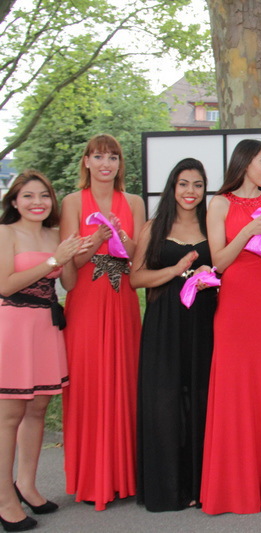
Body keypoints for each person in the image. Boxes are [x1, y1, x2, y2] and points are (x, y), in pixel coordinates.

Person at [200, 139, 261, 514]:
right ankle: (234, 483)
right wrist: (248, 231)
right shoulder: (219, 204)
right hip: (236, 304)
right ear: (244, 163)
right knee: (234, 387)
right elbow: (219, 262)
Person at [60, 134, 146, 510]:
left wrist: (122, 238)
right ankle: (91, 479)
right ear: (87, 162)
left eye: (112, 157)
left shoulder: (134, 202)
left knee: (124, 382)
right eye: (98, 156)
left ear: (119, 164)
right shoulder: (71, 202)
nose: (105, 163)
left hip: (122, 299)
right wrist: (97, 238)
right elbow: (70, 263)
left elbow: (138, 258)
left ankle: (124, 476)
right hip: (86, 302)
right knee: (89, 385)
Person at [0, 171, 88, 531]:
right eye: (28, 196)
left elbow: (69, 283)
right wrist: (53, 261)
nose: (37, 202)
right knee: (10, 414)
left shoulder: (55, 235)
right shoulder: (5, 233)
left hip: (47, 326)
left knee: (38, 408)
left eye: (44, 196)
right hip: (13, 326)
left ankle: (27, 486)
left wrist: (70, 255)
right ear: (14, 201)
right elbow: (6, 285)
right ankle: (4, 499)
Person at [132, 158, 216, 512]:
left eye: (197, 184)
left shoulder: (212, 225)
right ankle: (167, 489)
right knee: (164, 401)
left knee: (201, 399)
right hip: (164, 322)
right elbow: (136, 278)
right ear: (172, 187)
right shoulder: (154, 227)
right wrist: (177, 270)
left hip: (204, 321)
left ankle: (200, 485)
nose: (190, 191)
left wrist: (209, 274)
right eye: (183, 184)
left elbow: (227, 268)